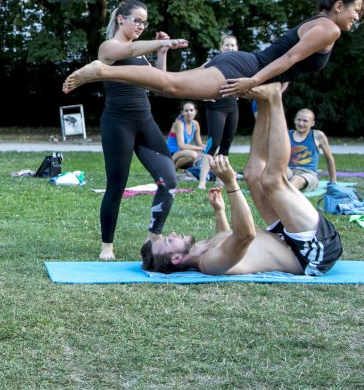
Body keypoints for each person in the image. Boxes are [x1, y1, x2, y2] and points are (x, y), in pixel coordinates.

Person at [140, 83, 342, 276]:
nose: (172, 234)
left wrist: (219, 211)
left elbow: (228, 239)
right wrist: (231, 184)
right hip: (311, 252)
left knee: (252, 174)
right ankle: (274, 98)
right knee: (273, 180)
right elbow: (245, 236)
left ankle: (262, 103)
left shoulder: (202, 248)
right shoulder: (209, 263)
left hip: (284, 237)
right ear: (176, 258)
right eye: (168, 241)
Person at [63, 0, 364, 100]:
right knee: (170, 85)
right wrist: (252, 81)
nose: (358, 17)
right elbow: (288, 58)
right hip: (243, 69)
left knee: (166, 88)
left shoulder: (318, 23)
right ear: (339, 6)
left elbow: (287, 62)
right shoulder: (329, 28)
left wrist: (258, 85)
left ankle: (105, 72)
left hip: (241, 64)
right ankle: (101, 71)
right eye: (356, 10)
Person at [76, 0, 182, 261]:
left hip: (145, 121)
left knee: (169, 180)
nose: (141, 26)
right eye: (137, 20)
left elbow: (159, 83)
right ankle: (107, 246)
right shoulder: (108, 48)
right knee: (116, 186)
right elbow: (130, 48)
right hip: (118, 123)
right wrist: (162, 42)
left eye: (145, 22)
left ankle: (153, 237)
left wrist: (162, 53)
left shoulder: (141, 53)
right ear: (121, 19)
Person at [197, 35, 240, 190]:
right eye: (227, 45)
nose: (230, 48)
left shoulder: (239, 64)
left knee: (226, 145)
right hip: (216, 108)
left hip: (232, 107)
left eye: (233, 45)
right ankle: (202, 182)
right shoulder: (212, 63)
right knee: (213, 144)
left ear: (237, 48)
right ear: (221, 47)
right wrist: (204, 95)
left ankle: (220, 180)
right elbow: (195, 79)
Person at [287, 108, 337, 192]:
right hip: (289, 171)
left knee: (296, 180)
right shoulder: (287, 134)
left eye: (305, 121)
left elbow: (329, 159)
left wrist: (333, 182)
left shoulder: (318, 136)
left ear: (312, 123)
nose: (301, 123)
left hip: (308, 174)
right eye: (299, 120)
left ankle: (284, 193)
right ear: (295, 120)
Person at [166, 101, 205, 170]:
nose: (189, 113)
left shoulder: (195, 124)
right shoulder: (179, 123)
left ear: (195, 112)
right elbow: (182, 145)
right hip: (173, 153)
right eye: (186, 111)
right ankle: (173, 168)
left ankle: (189, 170)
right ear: (182, 113)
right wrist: (201, 148)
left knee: (206, 155)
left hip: (184, 152)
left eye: (191, 110)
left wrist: (209, 147)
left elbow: (199, 144)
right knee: (193, 154)